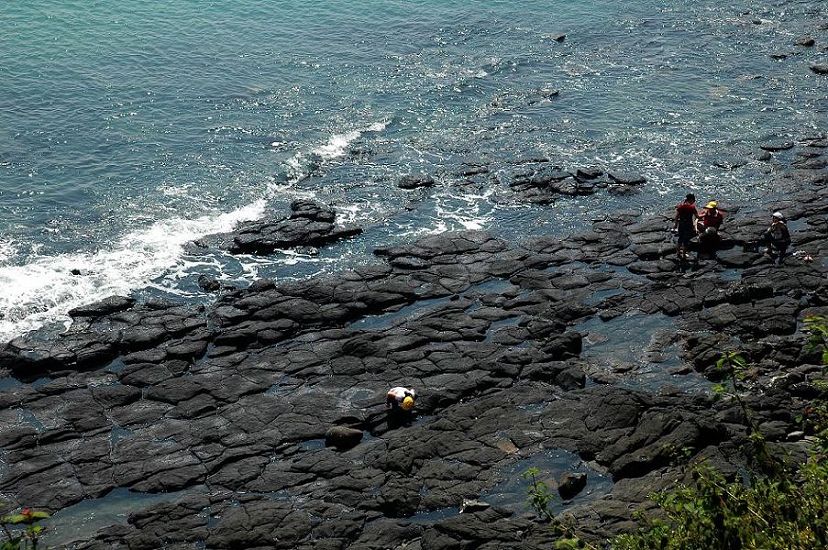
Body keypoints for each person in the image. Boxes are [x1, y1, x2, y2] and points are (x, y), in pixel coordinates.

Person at [673, 193, 698, 262]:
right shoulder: (692, 207)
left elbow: (677, 216)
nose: (694, 201)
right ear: (691, 199)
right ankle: (684, 254)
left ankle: (678, 253)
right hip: (688, 225)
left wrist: (675, 225)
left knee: (680, 239)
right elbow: (697, 216)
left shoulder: (681, 206)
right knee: (686, 241)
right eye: (694, 200)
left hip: (681, 224)